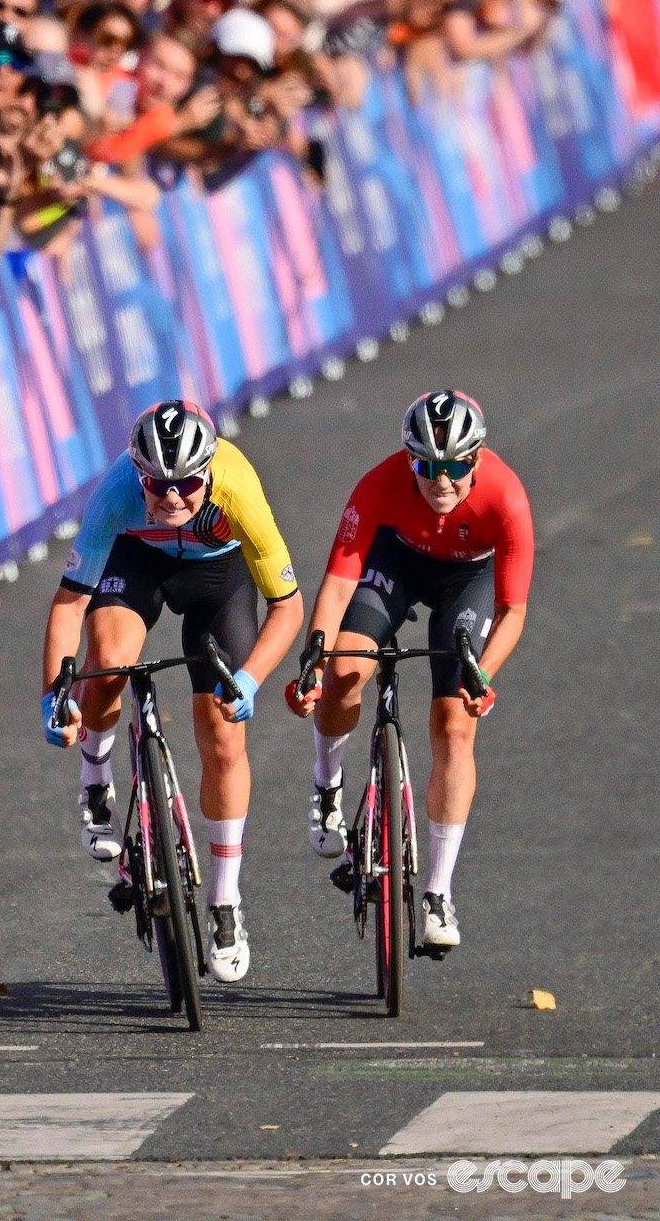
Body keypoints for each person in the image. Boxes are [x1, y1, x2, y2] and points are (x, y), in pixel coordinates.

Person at [41, 402, 303, 984]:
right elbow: (70, 602)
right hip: (137, 562)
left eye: (187, 484)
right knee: (107, 661)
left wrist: (253, 677)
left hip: (219, 575)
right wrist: (53, 694)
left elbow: (288, 606)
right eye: (158, 485)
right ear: (139, 474)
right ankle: (95, 782)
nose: (174, 498)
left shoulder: (237, 489)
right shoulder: (115, 495)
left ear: (207, 472)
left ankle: (225, 902)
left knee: (223, 733)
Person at [286, 392, 531, 951]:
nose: (441, 482)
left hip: (465, 580)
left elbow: (513, 610)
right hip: (393, 561)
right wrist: (314, 657)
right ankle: (327, 788)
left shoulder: (506, 496)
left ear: (477, 458)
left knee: (454, 725)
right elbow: (340, 582)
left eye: (455, 468)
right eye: (426, 467)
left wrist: (484, 675)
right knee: (347, 669)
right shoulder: (378, 485)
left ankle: (438, 894)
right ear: (408, 459)